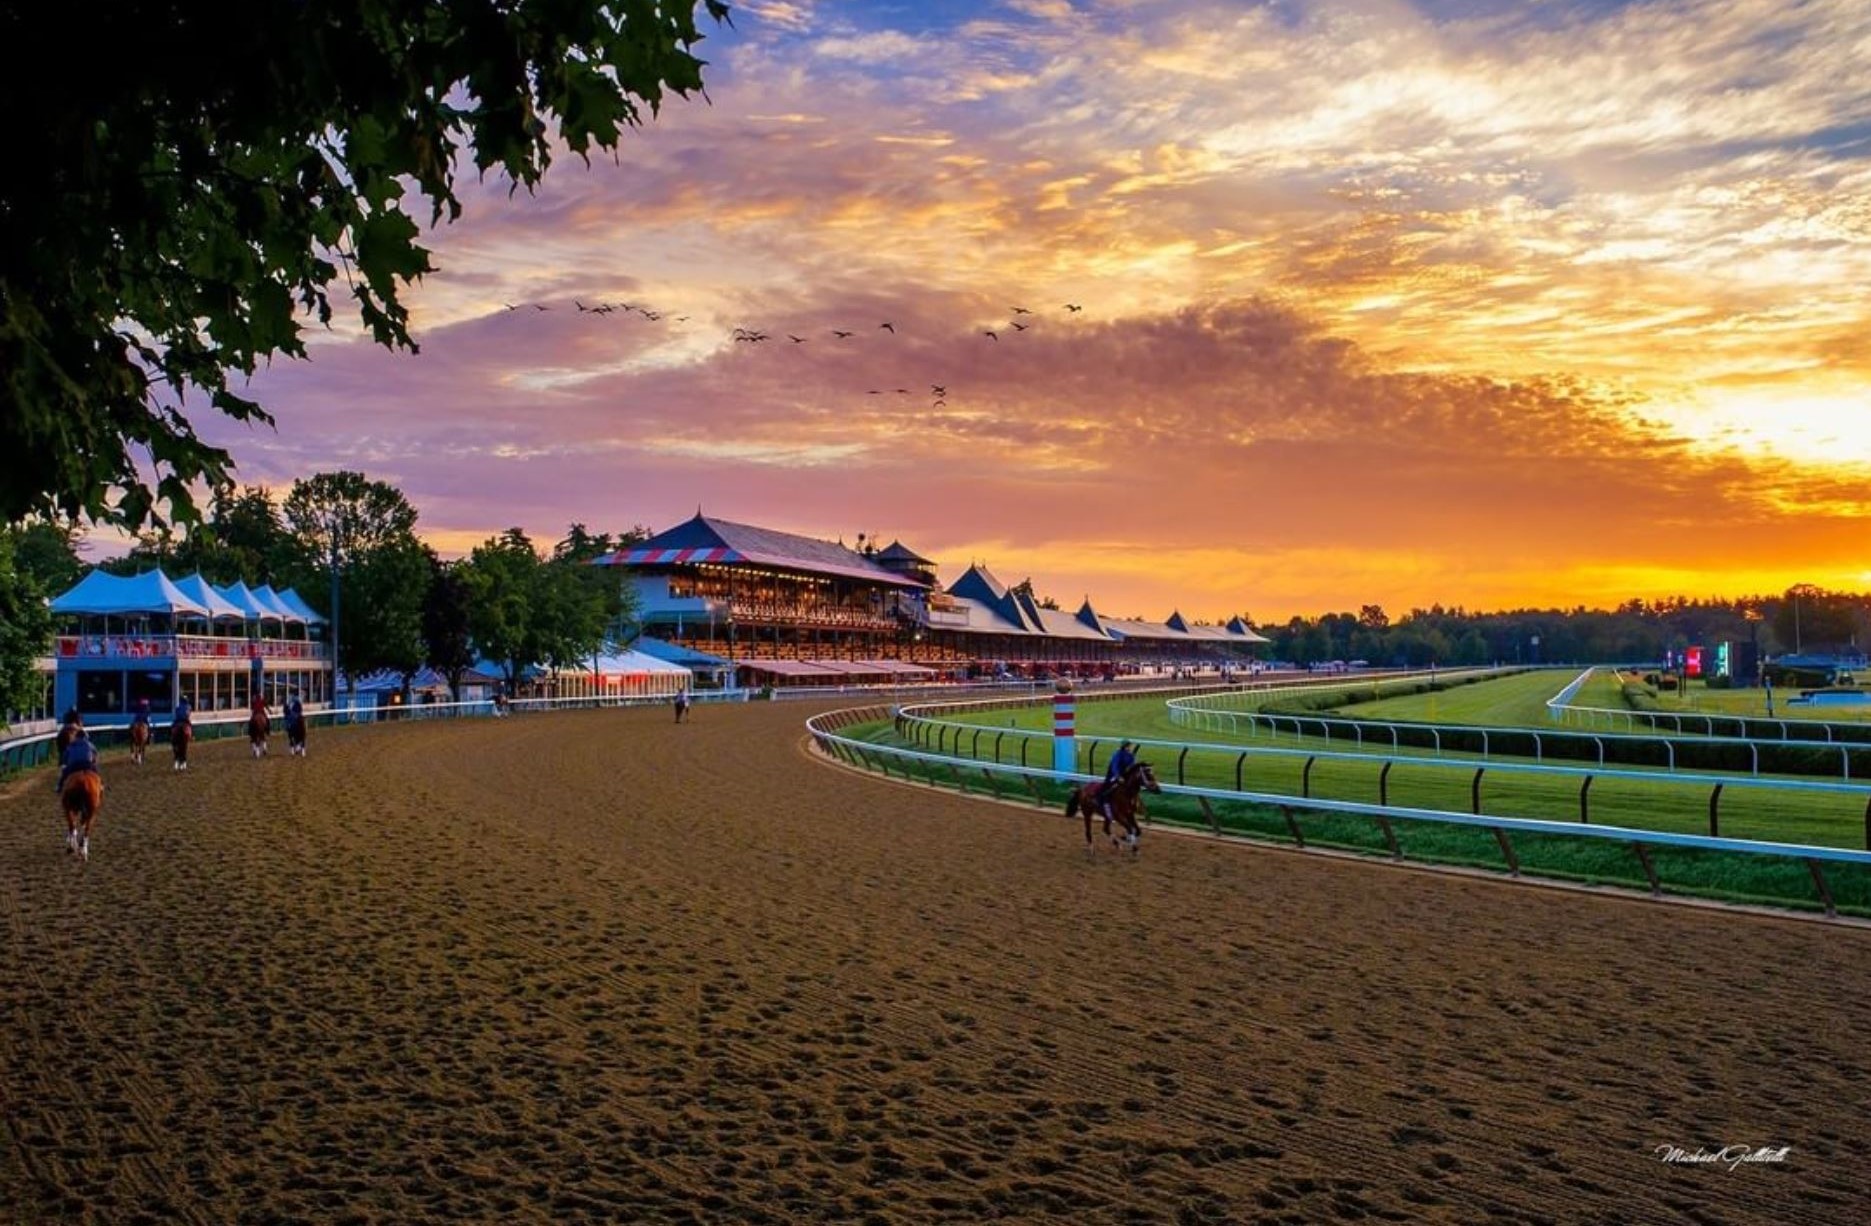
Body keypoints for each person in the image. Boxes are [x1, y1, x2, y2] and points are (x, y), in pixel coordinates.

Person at [1095, 740, 1138, 820]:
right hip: (1113, 775)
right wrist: (1118, 777)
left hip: (1124, 775)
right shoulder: (1117, 754)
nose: (1130, 748)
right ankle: (1104, 803)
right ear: (1124, 747)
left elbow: (1133, 766)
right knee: (1107, 789)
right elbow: (1114, 767)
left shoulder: (1131, 755)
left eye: (1130, 746)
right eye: (1128, 746)